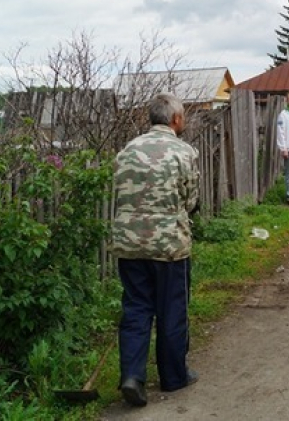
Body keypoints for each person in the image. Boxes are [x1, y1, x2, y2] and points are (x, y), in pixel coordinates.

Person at [110, 93, 201, 407]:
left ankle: (132, 376)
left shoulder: (127, 151)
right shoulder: (184, 152)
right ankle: (174, 376)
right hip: (168, 246)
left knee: (136, 309)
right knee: (171, 310)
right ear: (175, 119)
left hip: (129, 244)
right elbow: (190, 202)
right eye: (184, 116)